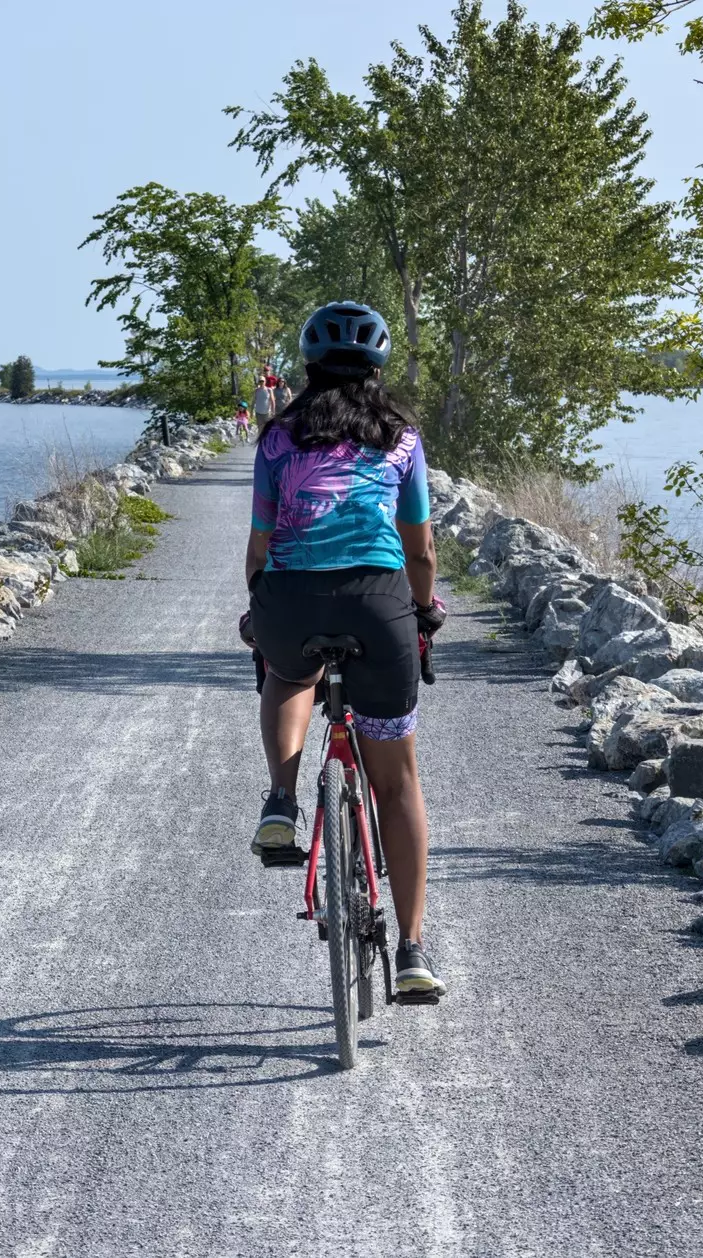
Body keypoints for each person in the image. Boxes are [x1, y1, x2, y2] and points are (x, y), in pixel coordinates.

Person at [241, 301, 448, 1000]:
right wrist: (424, 613)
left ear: (307, 368)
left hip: (290, 600)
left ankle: (281, 799)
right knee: (398, 780)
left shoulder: (276, 439)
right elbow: (419, 550)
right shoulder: (401, 440)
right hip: (379, 602)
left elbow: (260, 546)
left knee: (287, 671)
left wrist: (257, 610)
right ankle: (414, 949)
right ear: (378, 368)